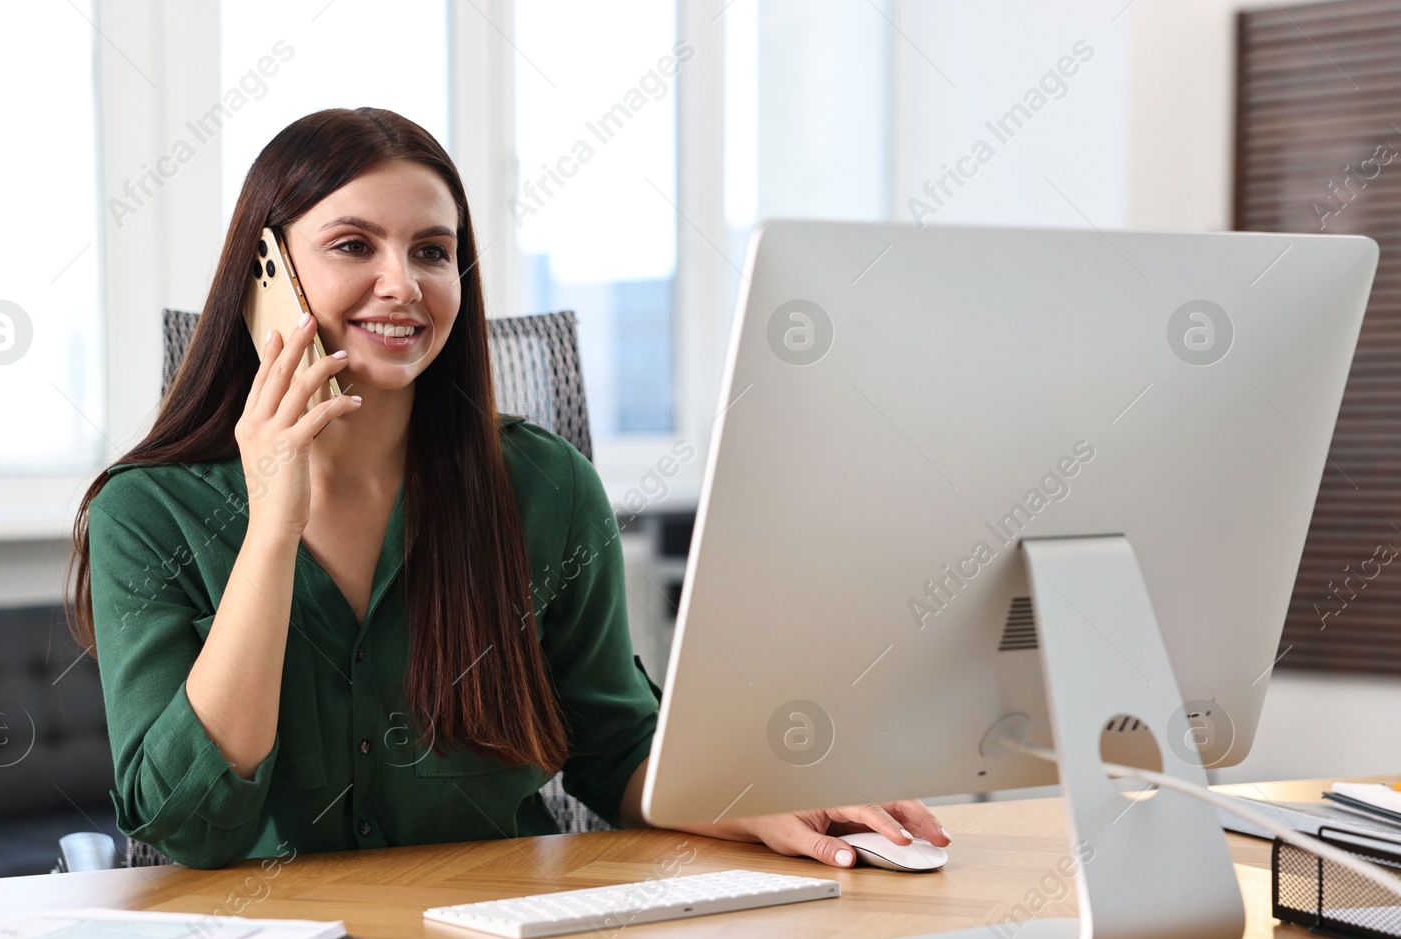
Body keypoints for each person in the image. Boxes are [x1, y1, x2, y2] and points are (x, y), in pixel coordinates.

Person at [67, 107, 949, 870]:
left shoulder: (545, 487)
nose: (403, 284)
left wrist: (761, 800)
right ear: (267, 274)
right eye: (351, 245)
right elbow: (188, 825)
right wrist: (271, 526)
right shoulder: (147, 512)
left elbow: (614, 746)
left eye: (433, 251)